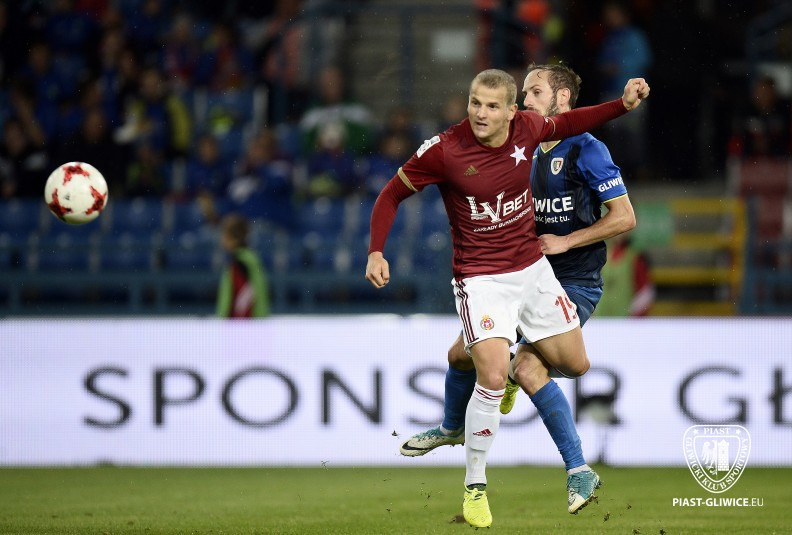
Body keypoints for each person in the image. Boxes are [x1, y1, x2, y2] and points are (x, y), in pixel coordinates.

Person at [365, 68, 649, 528]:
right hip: (482, 279)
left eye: (493, 105)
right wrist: (376, 251)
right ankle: (479, 484)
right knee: (490, 371)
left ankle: (456, 424)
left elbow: (575, 125)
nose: (481, 113)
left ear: (511, 111)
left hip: (540, 273)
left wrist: (623, 105)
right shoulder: (445, 150)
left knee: (573, 365)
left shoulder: (535, 134)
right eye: (475, 102)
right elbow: (390, 194)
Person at [216, 213, 271, 318]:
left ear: (234, 239)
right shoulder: (251, 260)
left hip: (242, 325)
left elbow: (244, 298)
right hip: (255, 323)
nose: (221, 239)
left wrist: (224, 320)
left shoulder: (240, 264)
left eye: (224, 235)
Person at [596, 234, 654, 317]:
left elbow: (645, 292)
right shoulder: (600, 254)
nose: (619, 234)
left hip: (626, 319)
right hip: (601, 318)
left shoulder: (635, 257)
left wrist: (633, 314)